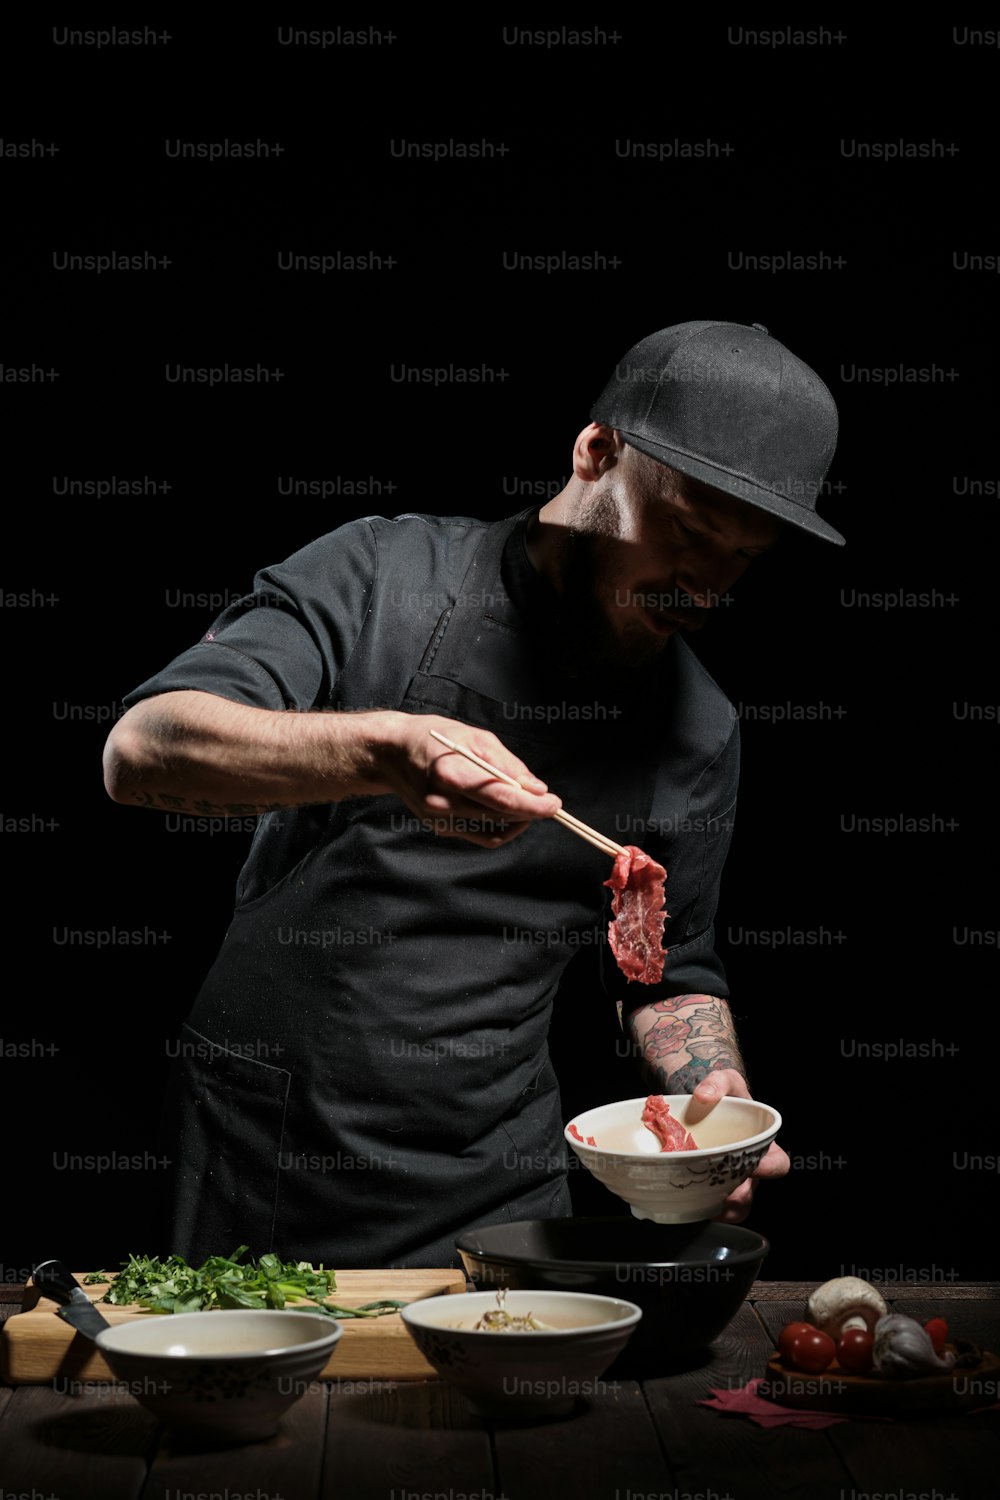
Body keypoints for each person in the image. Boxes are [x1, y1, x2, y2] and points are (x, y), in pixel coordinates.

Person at [103, 320, 843, 1269]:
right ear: (596, 451)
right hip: (266, 1141)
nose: (703, 584)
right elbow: (143, 751)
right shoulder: (381, 575)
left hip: (495, 1173)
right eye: (688, 531)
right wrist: (386, 751)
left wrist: (716, 1103)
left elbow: (671, 971)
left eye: (743, 557)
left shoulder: (699, 727)